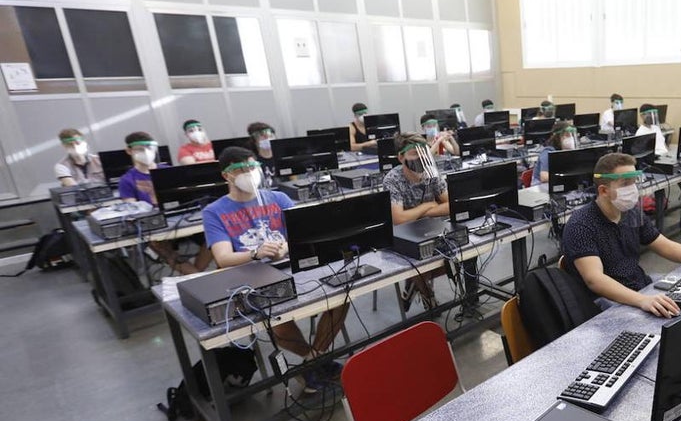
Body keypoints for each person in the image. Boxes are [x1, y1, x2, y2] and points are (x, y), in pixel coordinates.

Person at [202, 147, 348, 392]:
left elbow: (303, 234)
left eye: (253, 167)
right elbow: (223, 257)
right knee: (277, 320)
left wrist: (286, 247)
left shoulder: (277, 198)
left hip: (290, 266)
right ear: (226, 176)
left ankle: (311, 362)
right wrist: (255, 253)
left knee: (342, 295)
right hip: (250, 276)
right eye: (241, 170)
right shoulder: (215, 211)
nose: (250, 174)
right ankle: (316, 362)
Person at [561, 152, 681, 319]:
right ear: (604, 191)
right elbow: (595, 281)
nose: (633, 189)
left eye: (634, 182)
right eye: (625, 183)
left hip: (639, 284)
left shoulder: (631, 212)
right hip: (606, 299)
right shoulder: (581, 225)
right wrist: (643, 300)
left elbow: (665, 245)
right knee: (669, 320)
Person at [120, 131, 210, 274]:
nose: (146, 152)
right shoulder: (127, 180)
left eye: (149, 148)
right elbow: (132, 210)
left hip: (183, 217)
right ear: (129, 151)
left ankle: (198, 274)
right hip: (156, 226)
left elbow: (188, 196)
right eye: (140, 149)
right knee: (161, 246)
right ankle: (199, 277)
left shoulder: (170, 171)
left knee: (213, 236)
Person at [381, 133, 449, 309]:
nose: (420, 158)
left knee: (456, 258)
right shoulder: (393, 179)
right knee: (419, 264)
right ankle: (428, 296)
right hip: (404, 235)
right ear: (401, 157)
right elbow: (398, 219)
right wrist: (426, 207)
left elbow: (451, 204)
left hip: (431, 228)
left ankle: (413, 283)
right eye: (414, 153)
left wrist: (421, 213)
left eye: (423, 152)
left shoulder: (431, 172)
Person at [532, 120, 577, 185]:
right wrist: (566, 177)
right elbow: (544, 177)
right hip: (540, 187)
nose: (571, 138)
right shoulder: (548, 152)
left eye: (572, 135)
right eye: (567, 135)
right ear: (557, 137)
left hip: (558, 184)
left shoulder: (567, 152)